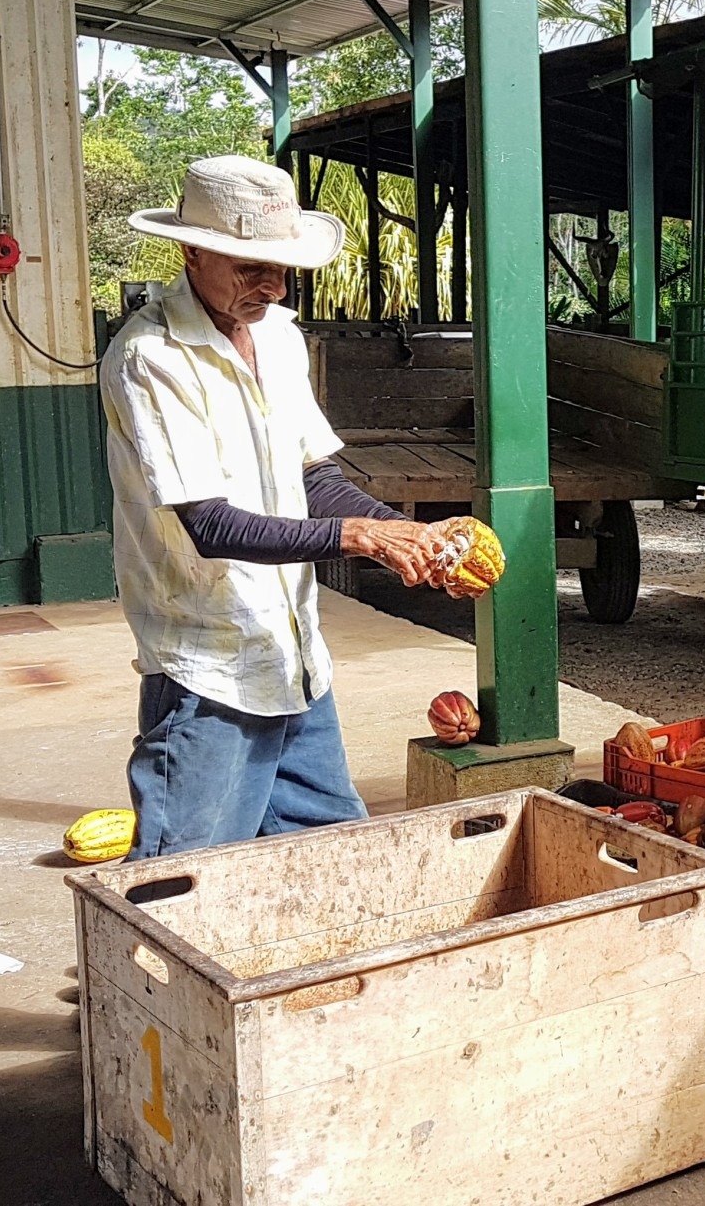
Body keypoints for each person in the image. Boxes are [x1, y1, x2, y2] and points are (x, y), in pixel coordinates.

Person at [101, 155, 478, 862]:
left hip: (293, 657)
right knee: (180, 881)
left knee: (334, 862)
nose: (272, 286)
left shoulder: (277, 335)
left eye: (281, 268)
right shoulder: (149, 357)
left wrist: (405, 533)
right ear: (192, 251)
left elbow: (313, 475)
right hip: (207, 662)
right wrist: (360, 537)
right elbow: (210, 525)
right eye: (250, 268)